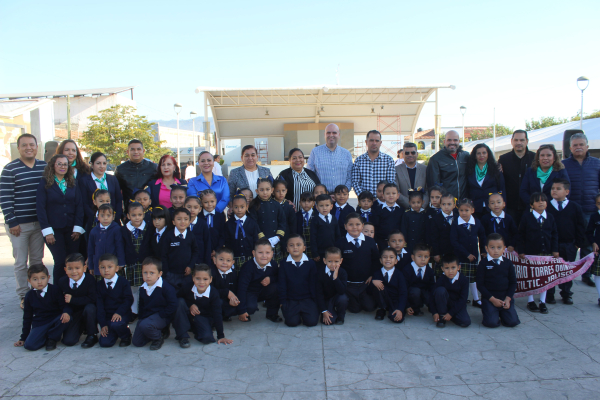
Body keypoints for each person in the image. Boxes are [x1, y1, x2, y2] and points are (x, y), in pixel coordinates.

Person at [1, 134, 47, 307]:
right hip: (19, 225)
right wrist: (12, 221)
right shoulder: (10, 169)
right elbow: (5, 197)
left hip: (38, 223)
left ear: (37, 147)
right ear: (18, 148)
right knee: (21, 262)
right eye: (24, 145)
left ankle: (38, 292)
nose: (29, 148)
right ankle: (24, 295)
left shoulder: (44, 166)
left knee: (37, 260)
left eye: (32, 145)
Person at [36, 154, 85, 283]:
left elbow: (79, 206)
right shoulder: (45, 183)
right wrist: (47, 232)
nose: (62, 166)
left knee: (73, 260)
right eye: (59, 164)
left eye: (65, 164)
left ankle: (73, 290)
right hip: (53, 230)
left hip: (72, 229)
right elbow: (40, 208)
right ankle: (58, 292)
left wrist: (78, 228)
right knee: (60, 260)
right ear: (53, 165)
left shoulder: (73, 182)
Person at [562, 133, 600, 287]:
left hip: (591, 209)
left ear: (587, 146)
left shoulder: (597, 164)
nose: (578, 147)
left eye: (581, 145)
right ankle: (566, 274)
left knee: (588, 244)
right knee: (571, 243)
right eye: (575, 145)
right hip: (571, 210)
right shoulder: (563, 164)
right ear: (570, 147)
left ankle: (587, 273)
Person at [546, 179, 587, 305]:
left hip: (569, 244)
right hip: (552, 245)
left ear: (567, 191)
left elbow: (581, 226)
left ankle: (566, 293)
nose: (554, 191)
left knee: (567, 270)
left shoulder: (575, 207)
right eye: (553, 188)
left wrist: (577, 244)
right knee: (550, 270)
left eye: (558, 189)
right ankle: (549, 294)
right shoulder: (547, 206)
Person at [517, 192, 559, 314]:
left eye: (543, 200)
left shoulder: (550, 217)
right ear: (531, 205)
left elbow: (554, 234)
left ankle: (542, 301)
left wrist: (555, 249)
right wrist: (521, 250)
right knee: (532, 277)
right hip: (531, 253)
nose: (541, 202)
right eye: (537, 201)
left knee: (544, 277)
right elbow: (520, 235)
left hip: (546, 253)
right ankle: (530, 300)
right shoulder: (526, 217)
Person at [14, 264, 70, 351]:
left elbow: (64, 305)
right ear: (29, 281)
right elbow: (27, 317)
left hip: (55, 319)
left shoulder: (55, 289)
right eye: (35, 279)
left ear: (48, 277)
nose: (39, 282)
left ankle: (52, 339)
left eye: (43, 278)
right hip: (41, 323)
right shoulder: (29, 296)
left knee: (67, 318)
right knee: (29, 345)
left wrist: (66, 312)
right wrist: (23, 338)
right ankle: (46, 336)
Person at [178, 264, 234, 345]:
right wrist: (190, 305)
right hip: (188, 315)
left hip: (204, 317)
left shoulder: (213, 293)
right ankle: (183, 334)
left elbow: (217, 314)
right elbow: (178, 298)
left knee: (207, 338)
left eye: (205, 279)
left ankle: (196, 328)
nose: (201, 282)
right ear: (193, 278)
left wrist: (221, 336)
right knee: (180, 302)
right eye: (198, 278)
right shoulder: (187, 287)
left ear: (210, 279)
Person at [335, 213, 379, 314]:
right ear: (345, 226)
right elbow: (338, 264)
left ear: (362, 226)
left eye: (358, 224)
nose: (354, 227)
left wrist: (372, 275)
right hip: (349, 285)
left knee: (370, 307)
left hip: (365, 284)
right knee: (355, 310)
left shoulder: (370, 242)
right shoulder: (340, 243)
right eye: (351, 225)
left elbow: (376, 260)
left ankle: (362, 298)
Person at [132, 257, 178, 350]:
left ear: (159, 274)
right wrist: (141, 319)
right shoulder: (142, 288)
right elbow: (141, 305)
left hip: (162, 316)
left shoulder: (166, 288)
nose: (148, 276)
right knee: (137, 342)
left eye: (151, 273)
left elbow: (173, 304)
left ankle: (158, 337)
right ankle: (154, 330)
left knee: (146, 325)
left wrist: (163, 315)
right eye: (145, 272)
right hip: (148, 317)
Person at [476, 234, 520, 328]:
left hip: (505, 298)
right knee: (491, 323)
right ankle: (492, 313)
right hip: (490, 299)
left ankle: (503, 313)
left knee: (512, 322)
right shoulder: (483, 264)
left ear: (504, 249)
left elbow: (513, 282)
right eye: (492, 247)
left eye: (499, 247)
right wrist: (492, 299)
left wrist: (508, 299)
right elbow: (480, 285)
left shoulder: (508, 263)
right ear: (487, 249)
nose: (496, 250)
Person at [449, 198, 486, 308]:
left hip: (473, 256)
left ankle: (476, 299)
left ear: (472, 210)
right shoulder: (456, 224)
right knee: (460, 278)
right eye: (461, 210)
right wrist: (466, 254)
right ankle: (461, 298)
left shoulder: (477, 222)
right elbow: (454, 241)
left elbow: (482, 236)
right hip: (461, 256)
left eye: (466, 210)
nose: (464, 213)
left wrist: (483, 251)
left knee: (473, 279)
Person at [237, 238, 282, 323]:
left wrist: (271, 279)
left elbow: (278, 277)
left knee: (276, 287)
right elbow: (241, 289)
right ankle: (245, 311)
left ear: (272, 254)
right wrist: (241, 310)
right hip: (250, 292)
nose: (264, 256)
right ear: (254, 253)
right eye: (260, 252)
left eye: (267, 253)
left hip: (264, 290)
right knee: (250, 308)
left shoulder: (273, 264)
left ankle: (272, 313)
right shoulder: (247, 267)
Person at [58, 253, 98, 348]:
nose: (74, 272)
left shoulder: (90, 280)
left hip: (88, 311)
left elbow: (93, 299)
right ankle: (81, 327)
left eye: (77, 268)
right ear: (65, 270)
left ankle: (92, 334)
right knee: (69, 341)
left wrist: (73, 299)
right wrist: (66, 312)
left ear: (84, 268)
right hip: (73, 313)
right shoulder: (62, 282)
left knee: (90, 308)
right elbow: (62, 302)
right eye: (70, 269)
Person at [278, 235, 319, 327]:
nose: (295, 247)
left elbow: (314, 284)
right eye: (291, 245)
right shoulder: (284, 264)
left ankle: (306, 312)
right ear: (287, 249)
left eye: (298, 245)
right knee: (292, 323)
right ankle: (296, 314)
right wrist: (283, 302)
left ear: (304, 248)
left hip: (307, 299)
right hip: (291, 299)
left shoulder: (311, 263)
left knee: (311, 322)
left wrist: (315, 301)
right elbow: (282, 283)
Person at [121, 202, 154, 315]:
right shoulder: (124, 230)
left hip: (145, 263)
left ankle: (145, 310)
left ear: (143, 215)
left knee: (146, 287)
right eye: (133, 215)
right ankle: (134, 312)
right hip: (131, 264)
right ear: (128, 216)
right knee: (133, 288)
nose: (137, 218)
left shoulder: (149, 228)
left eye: (139, 215)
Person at [498, 130, 536, 227]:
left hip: (530, 205)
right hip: (510, 206)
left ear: (527, 141)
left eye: (522, 140)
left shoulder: (535, 159)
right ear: (512, 141)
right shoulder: (503, 159)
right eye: (516, 140)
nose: (519, 143)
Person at [96, 253, 133, 348]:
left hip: (122, 315)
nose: (106, 270)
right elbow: (99, 306)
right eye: (102, 267)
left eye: (109, 267)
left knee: (116, 324)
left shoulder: (123, 282)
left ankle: (126, 336)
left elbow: (128, 299)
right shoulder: (99, 285)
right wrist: (103, 324)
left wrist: (119, 312)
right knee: (105, 343)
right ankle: (114, 332)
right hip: (108, 318)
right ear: (99, 268)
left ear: (116, 268)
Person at [161, 208, 199, 292]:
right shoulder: (168, 236)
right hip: (171, 274)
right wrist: (166, 272)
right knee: (172, 294)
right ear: (173, 222)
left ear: (189, 222)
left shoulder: (191, 236)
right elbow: (163, 254)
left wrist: (190, 266)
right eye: (179, 219)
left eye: (185, 219)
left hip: (187, 274)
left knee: (187, 294)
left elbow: (195, 251)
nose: (182, 222)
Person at [249, 177, 287, 262]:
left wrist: (278, 237)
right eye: (261, 190)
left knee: (276, 265)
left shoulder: (276, 204)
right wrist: (263, 238)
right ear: (257, 191)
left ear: (272, 190)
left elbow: (282, 221)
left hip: (275, 241)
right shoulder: (254, 206)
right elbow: (254, 223)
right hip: (261, 240)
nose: (265, 192)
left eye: (267, 189)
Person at [307, 123, 353, 193]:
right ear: (324, 135)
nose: (331, 135)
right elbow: (310, 176)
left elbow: (350, 177)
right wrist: (322, 193)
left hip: (341, 199)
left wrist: (342, 193)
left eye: (334, 133)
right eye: (328, 133)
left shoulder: (346, 154)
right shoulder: (315, 152)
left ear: (339, 135)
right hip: (322, 199)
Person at [114, 139, 157, 210]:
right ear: (128, 152)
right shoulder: (121, 169)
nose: (136, 152)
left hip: (150, 211)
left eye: (138, 149)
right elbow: (116, 193)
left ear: (143, 151)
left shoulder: (153, 167)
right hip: (130, 211)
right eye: (132, 149)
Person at [81, 152, 123, 224]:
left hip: (112, 221)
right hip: (93, 221)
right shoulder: (84, 180)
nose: (102, 166)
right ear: (92, 164)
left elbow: (118, 200)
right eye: (98, 163)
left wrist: (115, 216)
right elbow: (84, 203)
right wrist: (97, 217)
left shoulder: (112, 179)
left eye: (104, 163)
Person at [430, 254, 471, 328]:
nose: (450, 271)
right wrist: (434, 312)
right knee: (440, 290)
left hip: (457, 304)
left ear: (458, 267)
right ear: (442, 268)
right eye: (447, 268)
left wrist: (451, 313)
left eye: (453, 267)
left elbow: (463, 299)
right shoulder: (441, 279)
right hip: (444, 303)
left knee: (465, 322)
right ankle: (442, 316)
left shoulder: (464, 280)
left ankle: (449, 316)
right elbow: (432, 296)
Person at [426, 130, 469, 200]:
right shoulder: (435, 159)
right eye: (449, 140)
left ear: (459, 141)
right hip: (446, 204)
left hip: (463, 203)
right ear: (444, 142)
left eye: (455, 140)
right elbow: (434, 185)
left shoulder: (466, 156)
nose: (452, 142)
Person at [466, 144, 506, 219]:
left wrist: (503, 207)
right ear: (474, 155)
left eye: (484, 153)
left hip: (493, 208)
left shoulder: (496, 169)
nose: (481, 155)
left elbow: (501, 188)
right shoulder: (469, 170)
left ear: (488, 154)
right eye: (478, 153)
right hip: (475, 208)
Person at [351, 130, 396, 196]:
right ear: (366, 142)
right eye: (371, 140)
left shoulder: (388, 160)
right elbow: (355, 183)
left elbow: (391, 183)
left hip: (383, 202)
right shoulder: (359, 161)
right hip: (365, 203)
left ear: (380, 143)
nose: (374, 143)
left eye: (377, 141)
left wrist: (383, 197)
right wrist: (365, 198)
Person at [87, 204, 126, 279]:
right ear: (98, 217)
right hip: (99, 267)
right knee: (100, 286)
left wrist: (121, 263)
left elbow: (120, 247)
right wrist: (91, 266)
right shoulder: (93, 231)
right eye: (102, 216)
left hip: (113, 266)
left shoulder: (117, 229)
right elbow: (91, 250)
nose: (105, 218)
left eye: (108, 215)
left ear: (113, 216)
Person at [371, 248, 407, 323]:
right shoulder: (376, 273)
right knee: (376, 286)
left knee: (397, 319)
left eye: (391, 257)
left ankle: (395, 310)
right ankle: (382, 309)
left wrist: (400, 309)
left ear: (396, 261)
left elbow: (403, 293)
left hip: (394, 301)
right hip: (382, 299)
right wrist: (373, 281)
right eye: (385, 257)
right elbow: (370, 290)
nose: (388, 259)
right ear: (380, 260)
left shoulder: (399, 275)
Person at [224, 192, 260, 269]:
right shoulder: (228, 224)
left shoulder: (252, 223)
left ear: (247, 207)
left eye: (242, 207)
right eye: (236, 207)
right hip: (234, 258)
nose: (239, 210)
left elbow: (255, 239)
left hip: (250, 257)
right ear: (232, 207)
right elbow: (226, 241)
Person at [317, 247, 348, 325]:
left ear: (341, 261)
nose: (333, 264)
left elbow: (342, 291)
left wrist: (336, 278)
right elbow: (318, 293)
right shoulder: (320, 273)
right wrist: (324, 311)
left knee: (343, 298)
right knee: (329, 322)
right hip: (326, 300)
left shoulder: (342, 272)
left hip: (337, 298)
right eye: (330, 261)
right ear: (324, 261)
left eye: (336, 261)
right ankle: (330, 311)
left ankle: (341, 316)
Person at [402, 243, 435, 317]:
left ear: (429, 258)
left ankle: (431, 305)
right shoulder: (407, 270)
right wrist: (406, 305)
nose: (423, 259)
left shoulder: (429, 270)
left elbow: (432, 286)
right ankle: (415, 308)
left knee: (432, 291)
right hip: (412, 293)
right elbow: (403, 288)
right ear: (413, 257)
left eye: (426, 257)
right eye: (419, 256)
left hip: (424, 292)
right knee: (415, 291)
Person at [430, 192, 458, 276]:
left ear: (454, 205)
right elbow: (434, 237)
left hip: (456, 251)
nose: (446, 206)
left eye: (449, 204)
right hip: (442, 251)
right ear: (440, 205)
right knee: (441, 274)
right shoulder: (436, 219)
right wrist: (436, 253)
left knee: (455, 273)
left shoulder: (458, 217)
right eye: (444, 204)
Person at [396, 143, 429, 209]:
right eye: (407, 153)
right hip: (403, 210)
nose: (410, 155)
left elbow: (428, 190)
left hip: (422, 210)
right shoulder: (396, 170)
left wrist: (421, 205)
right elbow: (396, 192)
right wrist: (411, 205)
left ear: (417, 154)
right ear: (403, 154)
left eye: (413, 153)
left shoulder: (425, 169)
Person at [211, 247, 240, 320]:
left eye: (228, 260)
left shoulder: (233, 273)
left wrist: (233, 300)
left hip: (226, 300)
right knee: (218, 303)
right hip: (213, 300)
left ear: (232, 262)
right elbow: (209, 291)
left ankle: (224, 315)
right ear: (214, 260)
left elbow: (234, 290)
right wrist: (226, 292)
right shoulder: (210, 273)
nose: (224, 263)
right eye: (221, 259)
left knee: (237, 307)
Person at [310, 194, 341, 263]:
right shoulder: (315, 220)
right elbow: (313, 237)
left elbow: (338, 235)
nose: (324, 208)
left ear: (331, 206)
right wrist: (315, 253)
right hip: (320, 253)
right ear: (316, 207)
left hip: (333, 252)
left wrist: (338, 250)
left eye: (327, 205)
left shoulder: (334, 218)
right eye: (321, 206)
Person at [375, 183, 404, 250]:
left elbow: (403, 227)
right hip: (382, 243)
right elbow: (376, 228)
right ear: (383, 196)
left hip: (397, 243)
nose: (391, 195)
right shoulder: (378, 210)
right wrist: (376, 242)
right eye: (388, 193)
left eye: (393, 193)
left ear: (398, 195)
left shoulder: (401, 210)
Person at [198, 189, 226, 258]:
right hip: (201, 251)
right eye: (206, 202)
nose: (209, 204)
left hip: (217, 252)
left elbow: (223, 234)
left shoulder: (220, 216)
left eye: (212, 201)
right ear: (201, 202)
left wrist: (217, 250)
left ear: (216, 200)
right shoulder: (198, 216)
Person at [185, 196, 212, 265]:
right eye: (189, 207)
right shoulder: (181, 224)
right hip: (184, 260)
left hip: (199, 260)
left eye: (195, 207)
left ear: (200, 209)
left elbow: (207, 242)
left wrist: (207, 262)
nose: (192, 210)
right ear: (183, 207)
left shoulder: (203, 224)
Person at [585, 193, 600, 303]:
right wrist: (593, 242)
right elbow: (589, 232)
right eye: (599, 203)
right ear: (596, 204)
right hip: (598, 249)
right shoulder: (595, 216)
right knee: (598, 274)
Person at [273, 179, 297, 247]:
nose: (281, 193)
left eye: (283, 191)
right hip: (273, 236)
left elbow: (293, 224)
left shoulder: (289, 206)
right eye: (278, 191)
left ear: (286, 191)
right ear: (273, 191)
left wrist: (292, 237)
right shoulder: (270, 205)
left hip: (286, 235)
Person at [296, 191, 316, 259]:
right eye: (304, 201)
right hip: (301, 247)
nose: (306, 204)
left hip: (314, 248)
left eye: (309, 201)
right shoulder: (296, 216)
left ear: (313, 203)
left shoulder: (317, 215)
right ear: (300, 203)